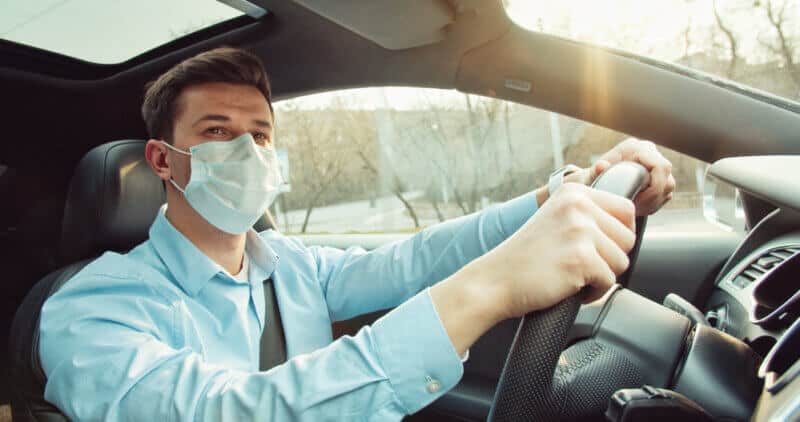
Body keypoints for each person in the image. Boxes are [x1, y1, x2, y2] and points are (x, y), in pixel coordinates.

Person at [39, 47, 675, 421]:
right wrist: (490, 289)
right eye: (215, 131)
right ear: (161, 160)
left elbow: (414, 259)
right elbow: (226, 411)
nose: (247, 150)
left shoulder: (290, 265)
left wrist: (564, 191)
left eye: (259, 134)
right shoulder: (92, 309)